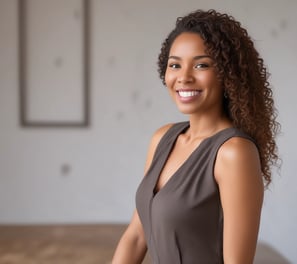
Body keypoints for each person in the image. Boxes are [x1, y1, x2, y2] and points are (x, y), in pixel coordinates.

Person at [112, 9, 279, 264]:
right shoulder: (163, 138)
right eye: (175, 65)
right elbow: (136, 237)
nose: (184, 77)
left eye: (202, 65)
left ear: (228, 74)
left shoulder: (234, 152)